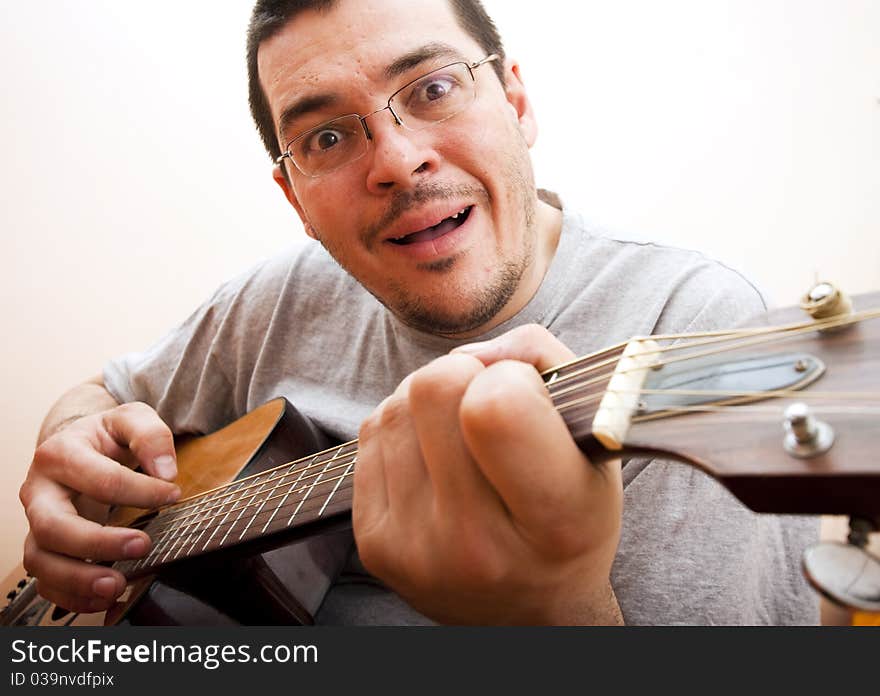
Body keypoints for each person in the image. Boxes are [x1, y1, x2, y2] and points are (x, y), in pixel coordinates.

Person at [18, 0, 820, 625]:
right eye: (328, 137)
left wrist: (550, 613)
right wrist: (69, 442)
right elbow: (108, 387)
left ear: (516, 99)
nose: (399, 163)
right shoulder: (276, 299)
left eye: (433, 89)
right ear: (295, 197)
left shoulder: (698, 321)